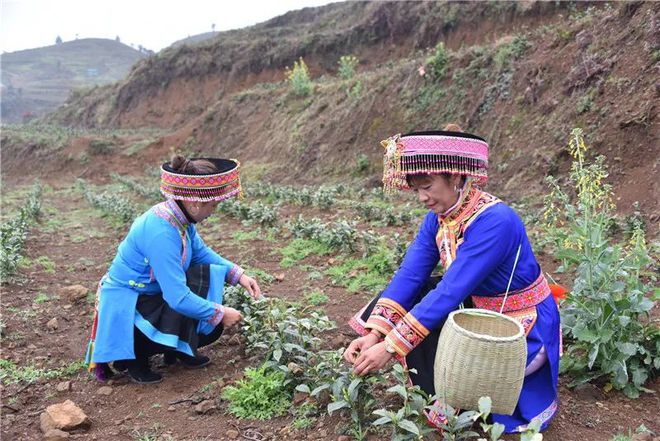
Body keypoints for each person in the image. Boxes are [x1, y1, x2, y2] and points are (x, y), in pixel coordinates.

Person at [344, 125, 561, 433]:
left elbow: (450, 291)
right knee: (419, 294)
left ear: (456, 177)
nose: (421, 197)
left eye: (427, 186)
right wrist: (375, 334)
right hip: (476, 307)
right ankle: (445, 392)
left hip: (518, 323)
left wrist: (391, 347)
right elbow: (410, 274)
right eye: (415, 189)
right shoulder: (440, 217)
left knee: (486, 411)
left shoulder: (495, 222)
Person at [85, 155, 262, 384]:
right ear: (195, 202)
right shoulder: (161, 232)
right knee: (212, 320)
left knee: (206, 306)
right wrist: (220, 313)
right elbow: (177, 297)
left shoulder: (180, 219)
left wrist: (238, 275)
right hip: (132, 302)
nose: (214, 210)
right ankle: (134, 357)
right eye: (213, 205)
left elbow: (200, 253)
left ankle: (177, 350)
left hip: (154, 293)